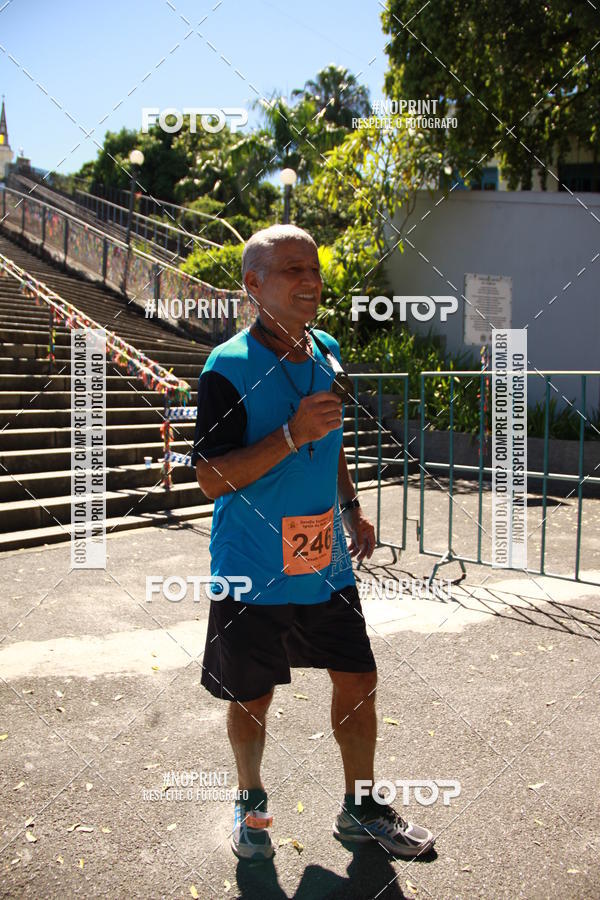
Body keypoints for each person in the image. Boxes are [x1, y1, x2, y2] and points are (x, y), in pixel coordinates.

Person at [192, 224, 434, 861]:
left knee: (359, 679)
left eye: (315, 269)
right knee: (253, 694)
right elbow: (210, 479)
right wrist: (290, 436)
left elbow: (331, 443)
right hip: (251, 563)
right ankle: (251, 806)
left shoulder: (327, 351)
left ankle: (360, 808)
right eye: (292, 269)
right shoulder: (228, 367)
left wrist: (352, 506)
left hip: (321, 559)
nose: (310, 280)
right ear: (253, 285)